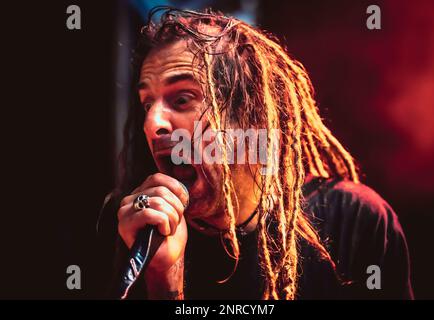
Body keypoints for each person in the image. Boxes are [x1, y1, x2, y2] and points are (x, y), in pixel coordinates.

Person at [98, 7, 413, 300]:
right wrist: (163, 280)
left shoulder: (355, 220)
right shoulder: (134, 225)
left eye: (182, 99)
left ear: (248, 114)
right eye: (147, 103)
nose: (152, 124)